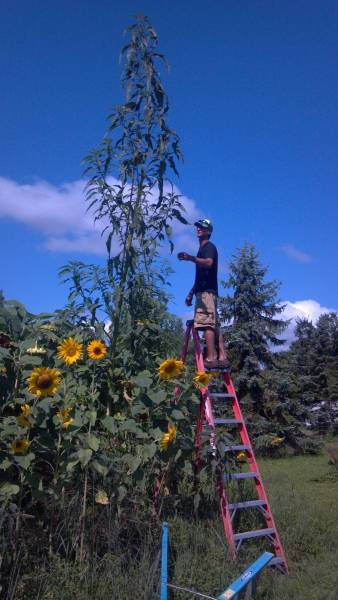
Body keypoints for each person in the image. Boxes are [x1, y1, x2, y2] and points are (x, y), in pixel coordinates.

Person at [178, 218, 229, 370]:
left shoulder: (209, 247)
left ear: (209, 231)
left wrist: (190, 258)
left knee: (207, 324)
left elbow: (209, 262)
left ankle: (211, 358)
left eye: (202, 227)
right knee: (214, 324)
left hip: (207, 293)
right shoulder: (202, 249)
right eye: (198, 227)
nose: (199, 229)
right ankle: (222, 357)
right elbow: (201, 277)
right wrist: (191, 293)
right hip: (206, 291)